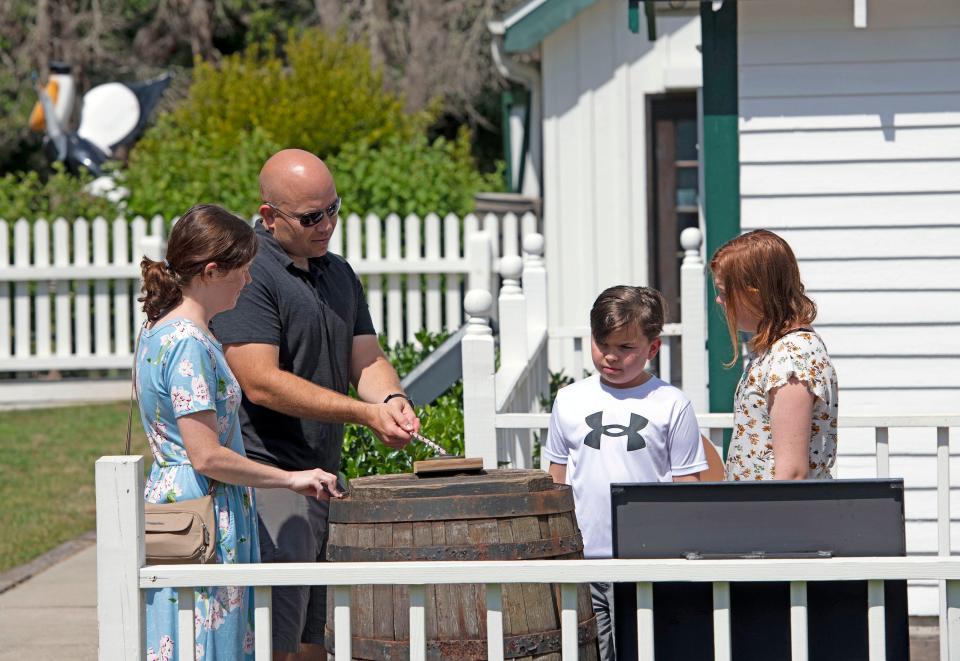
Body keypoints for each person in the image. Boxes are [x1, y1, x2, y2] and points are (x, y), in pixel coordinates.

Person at [210, 149, 420, 660]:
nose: (326, 224)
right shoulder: (251, 275)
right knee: (276, 645)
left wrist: (390, 399)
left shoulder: (338, 272)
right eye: (310, 217)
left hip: (322, 481)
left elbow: (366, 359)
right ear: (268, 216)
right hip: (271, 480)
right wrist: (362, 413)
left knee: (316, 642)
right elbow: (260, 381)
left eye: (333, 209)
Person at [137, 204, 343, 661]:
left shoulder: (159, 330)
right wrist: (291, 477)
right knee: (209, 644)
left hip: (181, 500)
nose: (248, 282)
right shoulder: (189, 343)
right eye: (242, 272)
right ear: (211, 271)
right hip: (205, 508)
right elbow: (206, 455)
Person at [543, 285, 707, 661]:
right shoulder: (568, 400)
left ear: (653, 348)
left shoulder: (671, 404)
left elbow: (687, 489)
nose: (610, 357)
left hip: (647, 562)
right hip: (582, 562)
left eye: (625, 348)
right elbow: (557, 479)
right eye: (603, 344)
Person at [710, 229, 839, 481]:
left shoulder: (793, 357)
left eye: (725, 292)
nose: (718, 300)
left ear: (754, 293)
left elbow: (792, 474)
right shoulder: (776, 351)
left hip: (777, 517)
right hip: (760, 514)